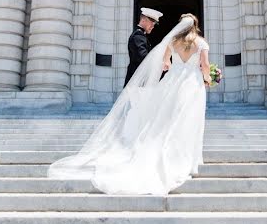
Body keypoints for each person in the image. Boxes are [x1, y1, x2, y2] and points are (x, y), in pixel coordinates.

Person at [47, 13, 211, 195]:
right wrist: (207, 78)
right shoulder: (201, 43)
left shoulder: (172, 42)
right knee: (189, 120)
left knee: (169, 119)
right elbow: (205, 65)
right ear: (195, 26)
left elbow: (165, 64)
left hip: (173, 84)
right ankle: (189, 159)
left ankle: (169, 153)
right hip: (192, 84)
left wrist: (174, 68)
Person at [124, 7, 161, 87]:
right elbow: (143, 57)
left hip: (138, 81)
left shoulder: (141, 36)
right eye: (152, 23)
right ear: (144, 20)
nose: (153, 26)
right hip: (136, 82)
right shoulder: (138, 36)